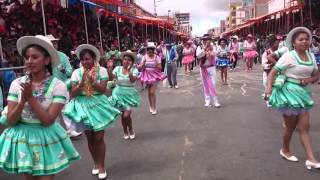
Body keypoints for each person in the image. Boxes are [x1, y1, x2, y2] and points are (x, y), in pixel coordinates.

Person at [0, 35, 80, 180]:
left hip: (45, 137)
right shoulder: (16, 84)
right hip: (23, 138)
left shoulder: (58, 86)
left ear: (47, 60)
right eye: (27, 57)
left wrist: (30, 98)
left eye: (35, 57)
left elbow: (48, 120)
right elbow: (11, 120)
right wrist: (22, 100)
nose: (29, 61)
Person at [265, 27, 320, 170]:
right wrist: (268, 90)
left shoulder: (311, 56)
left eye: (307, 39)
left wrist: (310, 79)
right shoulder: (288, 56)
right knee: (290, 128)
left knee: (304, 128)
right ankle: (285, 150)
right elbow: (272, 72)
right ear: (294, 43)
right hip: (289, 94)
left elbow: (316, 74)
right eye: (301, 39)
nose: (305, 41)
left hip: (303, 94)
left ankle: (311, 159)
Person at [64, 44, 121, 179]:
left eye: (87, 59)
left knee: (99, 137)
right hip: (83, 105)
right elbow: (73, 93)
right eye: (82, 59)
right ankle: (95, 163)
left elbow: (103, 90)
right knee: (90, 137)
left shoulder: (101, 71)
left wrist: (93, 82)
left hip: (98, 103)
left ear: (94, 59)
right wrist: (82, 84)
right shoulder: (76, 73)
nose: (85, 62)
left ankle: (102, 165)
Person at [46, 34, 82, 138]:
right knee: (51, 110)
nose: (54, 44)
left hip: (62, 86)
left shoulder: (62, 56)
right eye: (52, 43)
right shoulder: (44, 57)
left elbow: (70, 71)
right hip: (47, 87)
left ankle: (70, 130)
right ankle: (54, 133)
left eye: (55, 42)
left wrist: (64, 71)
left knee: (65, 108)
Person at [112, 50, 140, 140]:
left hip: (129, 95)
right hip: (118, 94)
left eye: (128, 60)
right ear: (122, 60)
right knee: (122, 115)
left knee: (126, 115)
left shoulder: (134, 70)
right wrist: (109, 69)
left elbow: (132, 80)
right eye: (125, 59)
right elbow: (113, 79)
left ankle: (131, 129)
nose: (126, 61)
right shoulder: (117, 69)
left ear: (132, 62)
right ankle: (125, 131)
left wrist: (129, 71)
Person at [138, 42, 166, 115]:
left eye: (151, 49)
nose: (149, 50)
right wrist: (142, 65)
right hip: (147, 75)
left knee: (152, 92)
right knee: (149, 92)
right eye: (148, 49)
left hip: (154, 75)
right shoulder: (144, 57)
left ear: (153, 50)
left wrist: (156, 64)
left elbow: (160, 68)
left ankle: (154, 107)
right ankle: (150, 106)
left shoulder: (157, 57)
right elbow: (140, 67)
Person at [197, 41, 221, 108]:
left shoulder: (213, 47)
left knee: (213, 85)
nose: (206, 41)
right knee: (205, 85)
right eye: (205, 39)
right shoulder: (200, 48)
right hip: (203, 69)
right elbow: (198, 56)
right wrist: (204, 49)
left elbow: (215, 54)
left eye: (208, 39)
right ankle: (207, 101)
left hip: (212, 68)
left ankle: (215, 101)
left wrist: (210, 50)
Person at [261, 35, 280, 107]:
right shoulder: (266, 53)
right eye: (276, 43)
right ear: (272, 44)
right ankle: (267, 100)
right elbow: (263, 65)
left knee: (276, 87)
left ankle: (274, 99)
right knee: (267, 87)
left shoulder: (279, 52)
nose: (278, 44)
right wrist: (271, 65)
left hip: (277, 74)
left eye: (278, 43)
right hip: (268, 73)